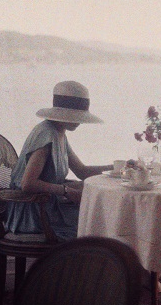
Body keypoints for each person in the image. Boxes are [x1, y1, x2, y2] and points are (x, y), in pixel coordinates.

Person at [6, 80, 113, 240]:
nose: (79, 122)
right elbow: (28, 183)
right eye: (75, 117)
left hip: (47, 205)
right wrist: (66, 191)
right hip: (33, 212)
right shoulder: (46, 135)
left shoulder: (59, 132)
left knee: (98, 221)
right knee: (96, 226)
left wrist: (116, 168)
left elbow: (82, 171)